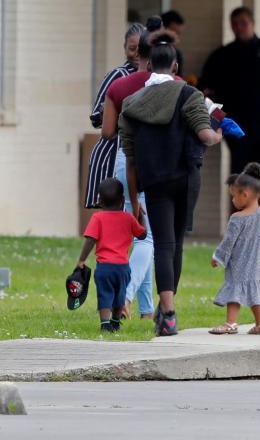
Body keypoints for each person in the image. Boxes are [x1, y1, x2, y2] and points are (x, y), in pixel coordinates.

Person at [119, 31, 223, 336]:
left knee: (161, 244)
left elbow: (130, 155)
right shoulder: (189, 95)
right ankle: (167, 311)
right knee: (176, 243)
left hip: (153, 180)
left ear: (149, 65)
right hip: (186, 177)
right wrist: (219, 134)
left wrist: (135, 197)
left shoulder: (131, 102)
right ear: (175, 67)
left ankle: (168, 312)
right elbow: (205, 135)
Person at [103, 23, 171, 321]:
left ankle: (145, 310)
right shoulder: (171, 83)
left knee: (135, 231)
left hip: (123, 158)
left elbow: (106, 132)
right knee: (148, 238)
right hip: (155, 163)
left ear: (138, 53)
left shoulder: (119, 86)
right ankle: (125, 296)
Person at [199, 6, 260, 208]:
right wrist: (219, 120)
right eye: (235, 24)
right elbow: (205, 91)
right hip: (238, 127)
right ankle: (243, 221)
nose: (239, 27)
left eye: (243, 23)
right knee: (242, 178)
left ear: (252, 23)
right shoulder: (222, 55)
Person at [209, 163, 260, 336]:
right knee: (255, 294)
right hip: (258, 265)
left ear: (244, 194)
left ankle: (231, 323)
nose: (232, 200)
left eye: (234, 196)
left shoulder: (237, 219)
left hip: (239, 264)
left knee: (234, 292)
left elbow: (228, 243)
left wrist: (217, 257)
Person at [84, 22, 146, 208]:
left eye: (140, 48)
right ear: (125, 48)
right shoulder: (117, 76)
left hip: (140, 155)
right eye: (131, 48)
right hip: (112, 155)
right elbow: (96, 117)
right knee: (111, 216)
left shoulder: (156, 78)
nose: (135, 53)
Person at [77, 178, 147, 332]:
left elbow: (90, 239)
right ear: (122, 200)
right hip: (122, 268)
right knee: (119, 295)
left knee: (105, 294)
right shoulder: (128, 218)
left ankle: (104, 324)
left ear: (100, 201)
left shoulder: (97, 218)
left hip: (104, 268)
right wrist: (141, 216)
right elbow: (143, 235)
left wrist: (82, 259)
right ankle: (116, 321)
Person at [161, 10, 186, 77]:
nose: (176, 37)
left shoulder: (176, 53)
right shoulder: (153, 51)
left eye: (178, 34)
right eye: (175, 33)